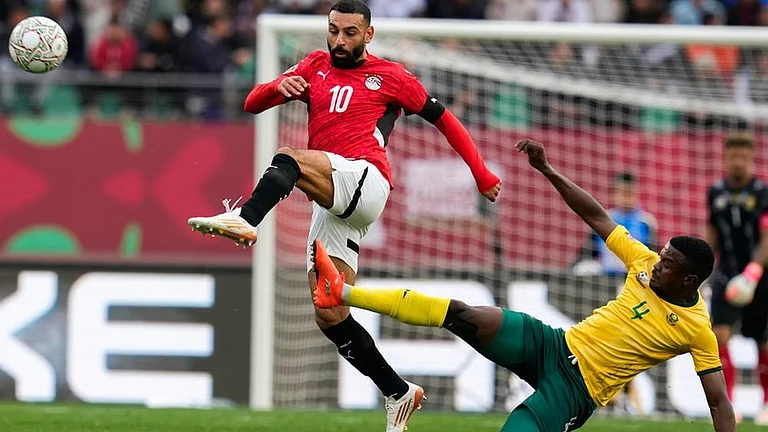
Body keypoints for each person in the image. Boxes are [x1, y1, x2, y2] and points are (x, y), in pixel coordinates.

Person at [186, 1, 501, 431]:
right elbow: (251, 102)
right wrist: (282, 89)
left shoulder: (390, 75)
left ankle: (247, 218)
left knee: (290, 157)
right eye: (333, 30)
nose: (339, 40)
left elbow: (444, 119)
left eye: (350, 33)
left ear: (368, 35)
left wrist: (481, 174)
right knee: (329, 310)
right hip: (333, 197)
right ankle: (398, 392)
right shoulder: (314, 64)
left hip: (367, 180)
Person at [311, 139, 735, 432]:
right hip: (553, 344)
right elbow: (598, 216)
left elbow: (718, 400)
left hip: (576, 392)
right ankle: (343, 292)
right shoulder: (642, 261)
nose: (657, 263)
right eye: (661, 256)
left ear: (689, 280)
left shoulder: (696, 328)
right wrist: (547, 169)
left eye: (668, 264)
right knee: (462, 313)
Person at [706, 132, 768, 424]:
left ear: (751, 159)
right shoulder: (715, 192)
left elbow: (767, 236)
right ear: (725, 159)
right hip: (726, 273)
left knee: (764, 341)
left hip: (760, 274)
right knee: (719, 336)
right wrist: (703, 266)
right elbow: (713, 233)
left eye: (743, 157)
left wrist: (754, 272)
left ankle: (767, 403)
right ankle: (728, 403)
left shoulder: (762, 192)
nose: (738, 163)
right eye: (733, 157)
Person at [575, 171, 658, 277]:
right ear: (614, 194)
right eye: (623, 193)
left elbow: (652, 256)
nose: (626, 198)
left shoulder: (646, 222)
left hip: (636, 276)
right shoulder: (604, 218)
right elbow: (586, 253)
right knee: (582, 268)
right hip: (606, 276)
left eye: (630, 193)